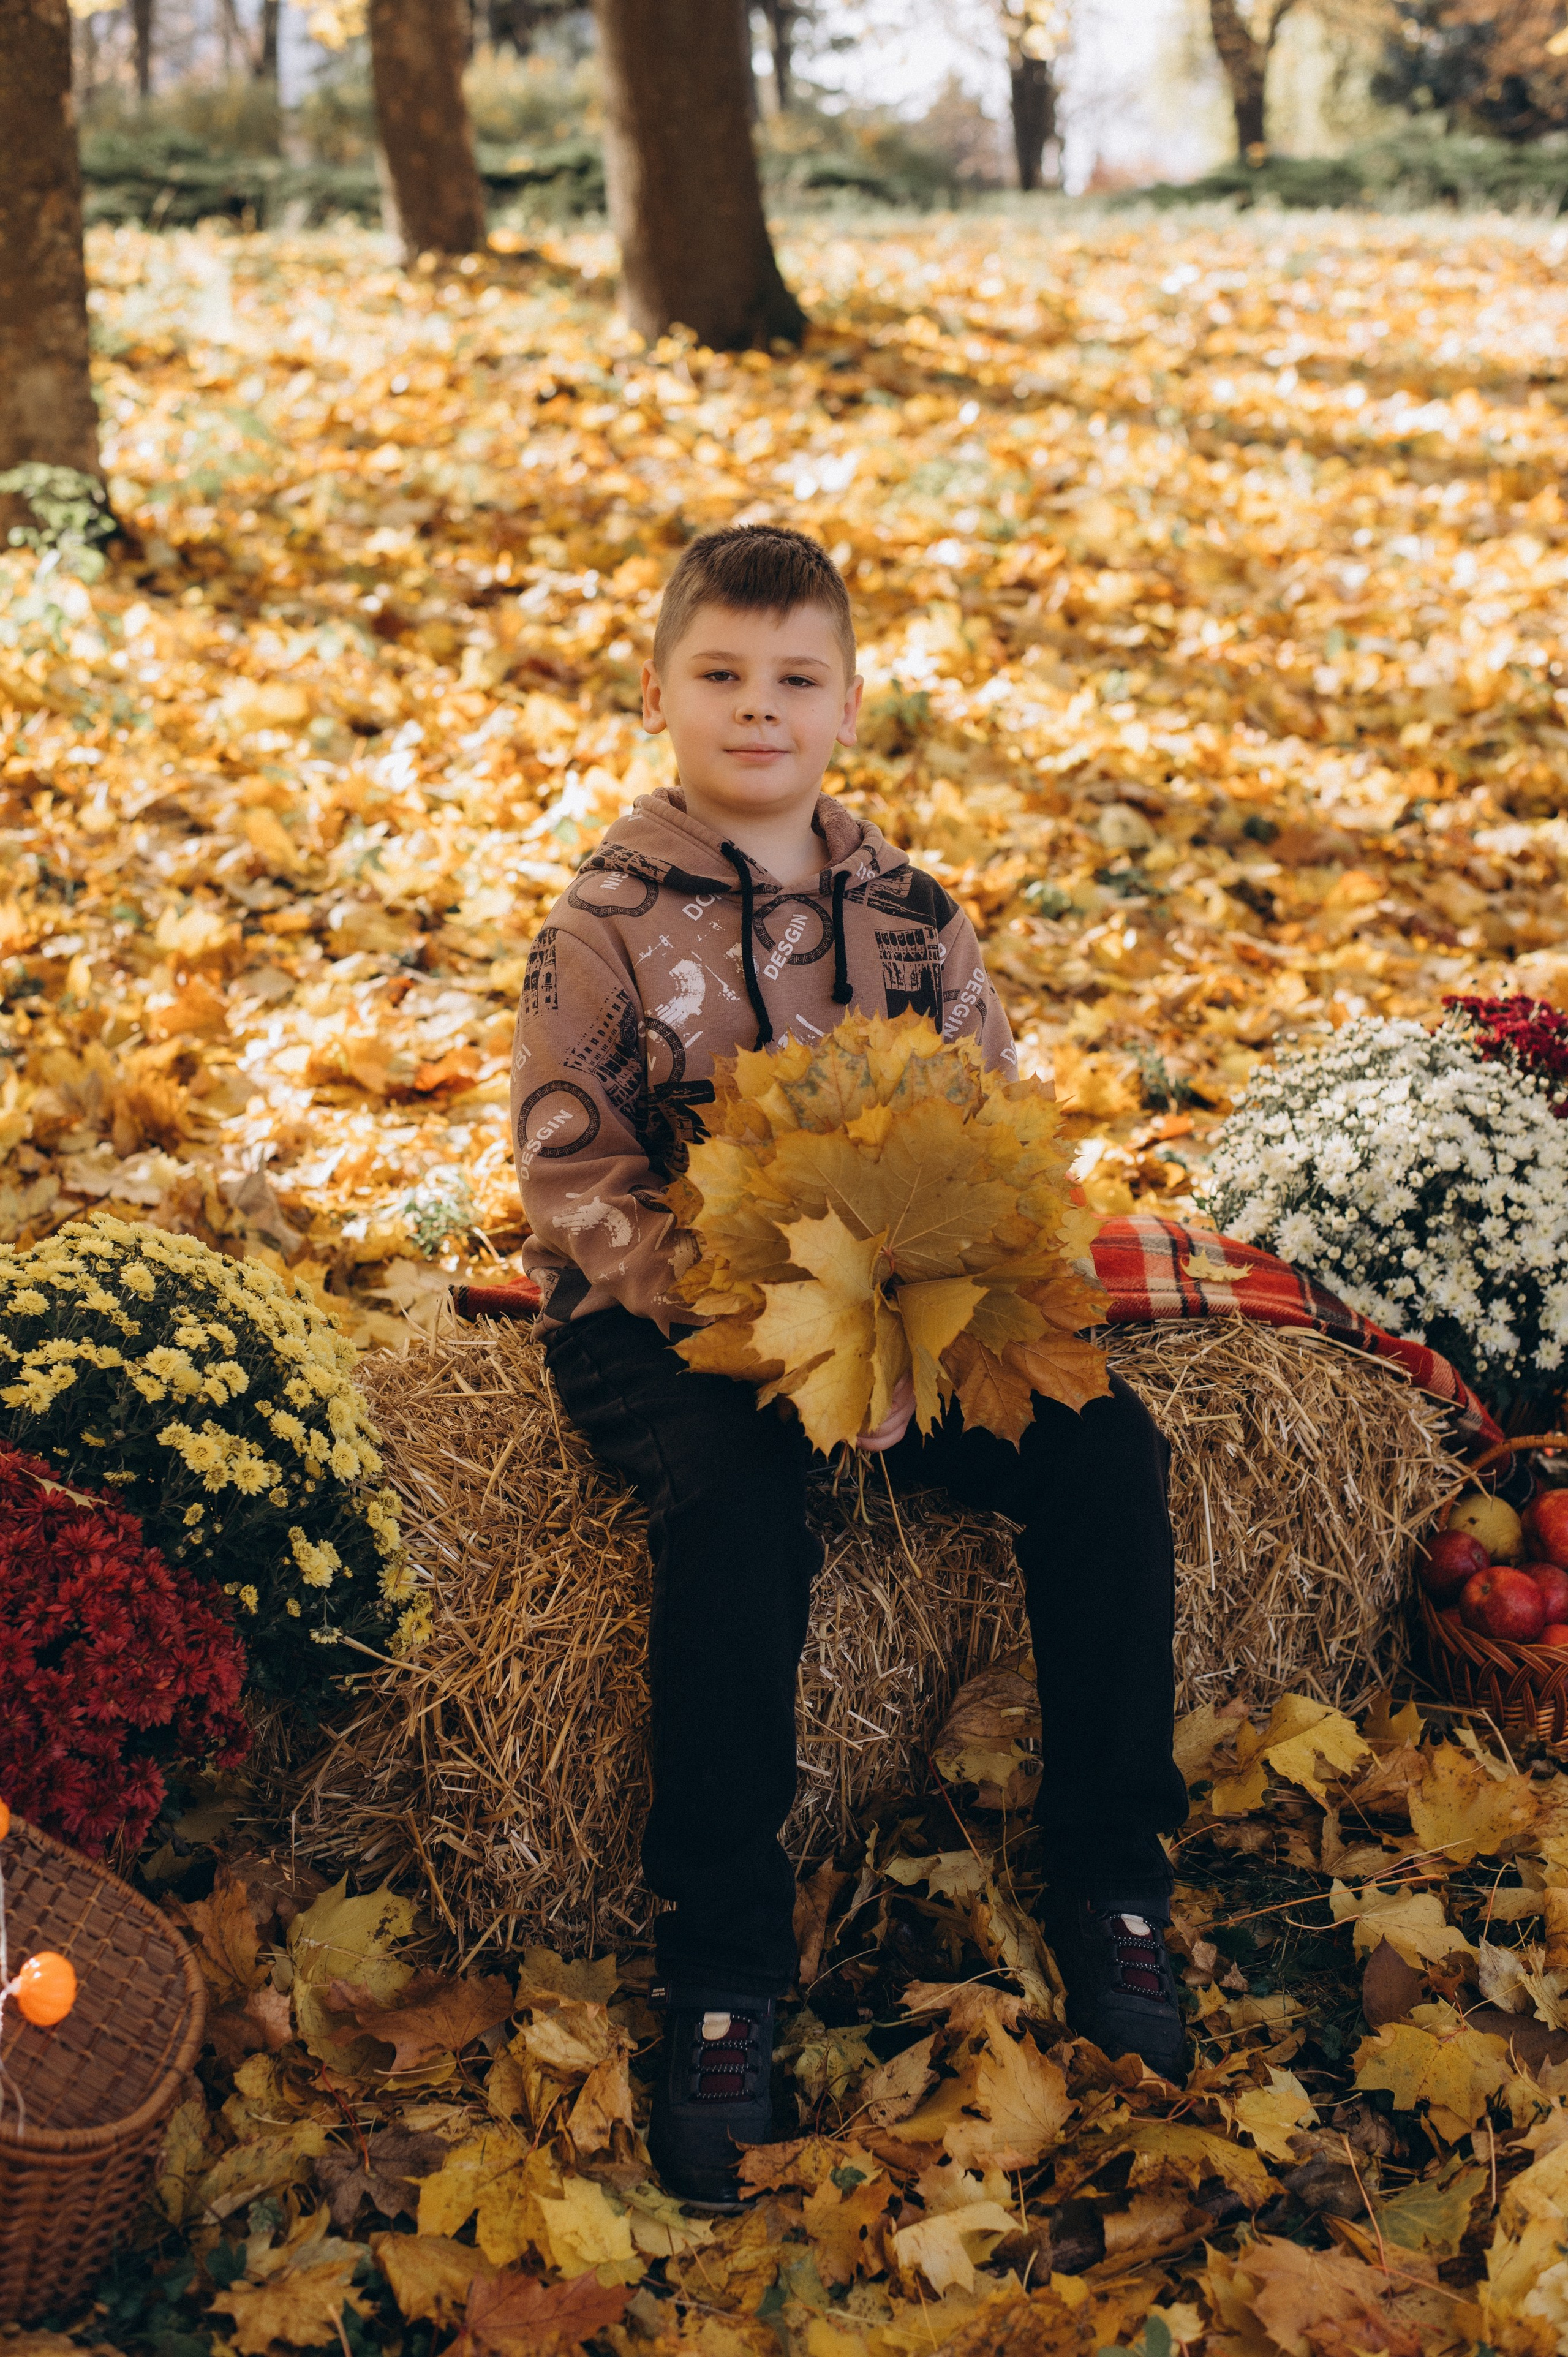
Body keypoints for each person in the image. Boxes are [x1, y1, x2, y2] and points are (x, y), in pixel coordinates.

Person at [511, 523, 1190, 2208]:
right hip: (668, 1328)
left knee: (1110, 1454)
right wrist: (761, 1335)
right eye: (723, 676)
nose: (760, 708)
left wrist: (921, 1332)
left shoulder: (910, 914)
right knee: (741, 1522)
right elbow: (571, 1175)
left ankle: (1116, 1880)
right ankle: (723, 1975)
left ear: (851, 705)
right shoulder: (605, 921)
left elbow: (994, 1137)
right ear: (662, 692)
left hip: (911, 1311)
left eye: (795, 679)